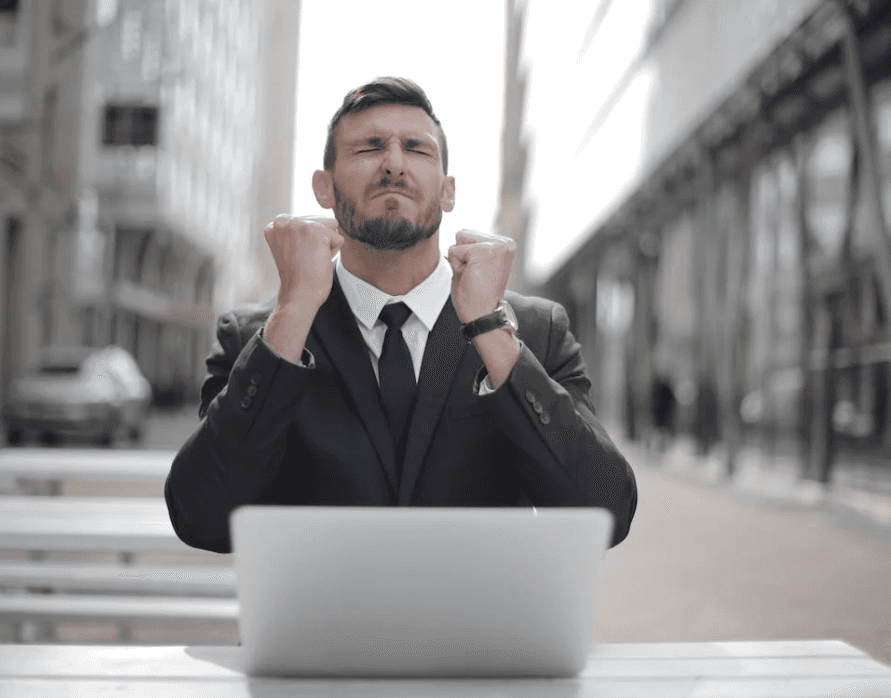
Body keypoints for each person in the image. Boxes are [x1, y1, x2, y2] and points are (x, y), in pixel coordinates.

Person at [165, 77, 637, 553]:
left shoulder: (534, 331)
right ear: (323, 188)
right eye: (369, 148)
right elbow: (202, 517)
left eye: (417, 149)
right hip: (314, 629)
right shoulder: (258, 336)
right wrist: (293, 309)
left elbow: (605, 514)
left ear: (448, 192)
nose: (393, 164)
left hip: (480, 629)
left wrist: (490, 328)